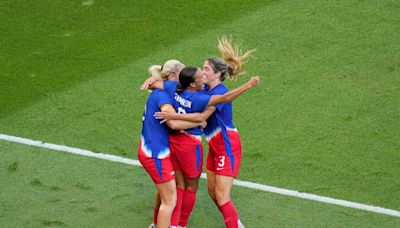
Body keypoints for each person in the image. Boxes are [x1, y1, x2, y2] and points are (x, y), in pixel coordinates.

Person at [153, 37, 256, 228]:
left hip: (227, 146)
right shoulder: (205, 88)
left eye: (206, 69)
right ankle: (234, 222)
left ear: (216, 74)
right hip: (214, 147)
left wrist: (173, 117)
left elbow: (201, 118)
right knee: (212, 192)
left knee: (222, 196)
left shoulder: (220, 93)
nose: (202, 72)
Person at [138, 60, 203, 228]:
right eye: (180, 74)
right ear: (171, 75)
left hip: (154, 150)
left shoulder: (164, 90)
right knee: (170, 200)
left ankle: (155, 223)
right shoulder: (164, 96)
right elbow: (173, 123)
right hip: (155, 153)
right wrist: (198, 122)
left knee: (165, 192)